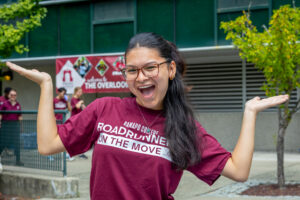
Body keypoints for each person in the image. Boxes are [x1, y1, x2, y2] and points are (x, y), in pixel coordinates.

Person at [5, 32, 289, 200]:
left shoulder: (182, 126)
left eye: (150, 67)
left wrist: (249, 113)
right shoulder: (105, 109)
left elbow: (238, 171)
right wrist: (46, 86)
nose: (141, 77)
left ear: (170, 69)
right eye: (132, 70)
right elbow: (48, 144)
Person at [0, 89, 23, 166]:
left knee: (17, 144)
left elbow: (20, 116)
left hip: (15, 126)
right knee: (3, 143)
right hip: (5, 126)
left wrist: (21, 126)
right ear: (9, 95)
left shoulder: (18, 105)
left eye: (14, 95)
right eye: (11, 95)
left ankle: (18, 161)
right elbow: (0, 114)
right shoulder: (4, 104)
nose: (13, 96)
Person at [70, 87, 88, 159]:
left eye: (81, 91)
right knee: (74, 137)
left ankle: (80, 153)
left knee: (81, 136)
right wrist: (80, 102)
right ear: (76, 92)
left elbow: (84, 108)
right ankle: (70, 153)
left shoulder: (79, 100)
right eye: (79, 92)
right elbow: (77, 106)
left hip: (80, 120)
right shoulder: (73, 99)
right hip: (75, 120)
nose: (81, 93)